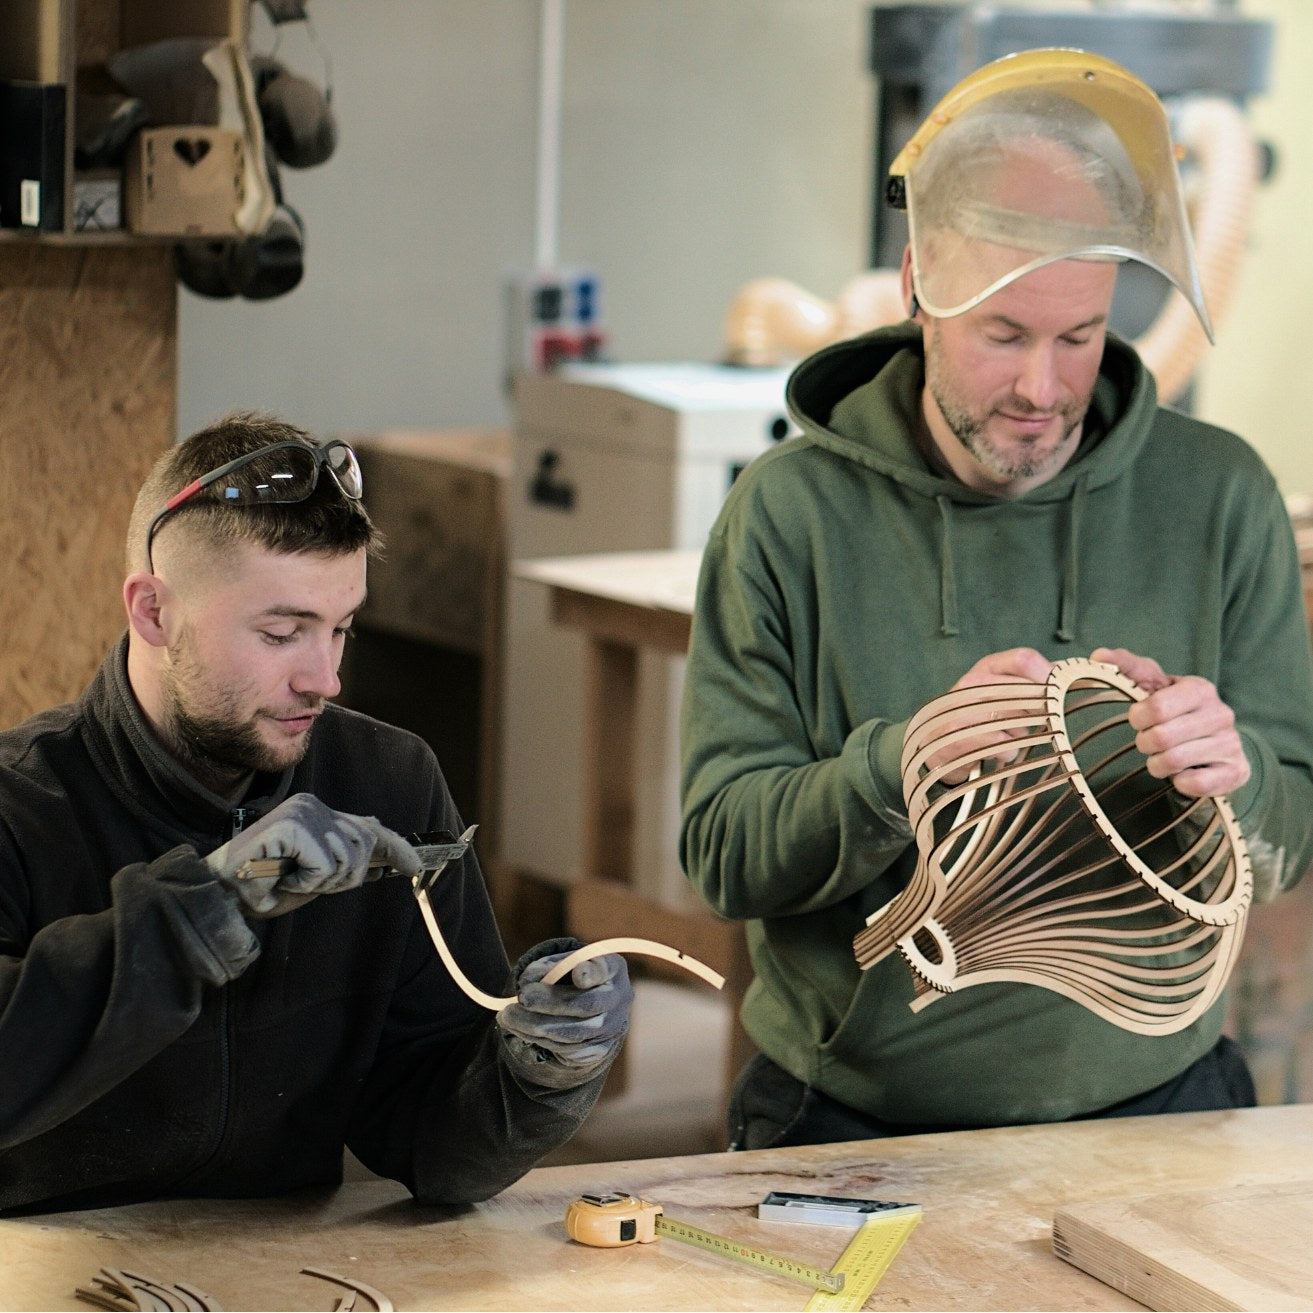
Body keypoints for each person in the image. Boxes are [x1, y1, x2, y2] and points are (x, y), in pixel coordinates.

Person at [679, 48, 1313, 1150]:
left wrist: (1234, 777)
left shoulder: (1217, 496)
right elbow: (725, 852)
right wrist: (895, 771)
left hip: (1166, 1108)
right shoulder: (787, 512)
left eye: (1078, 337)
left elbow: (1290, 839)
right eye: (1003, 335)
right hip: (855, 1121)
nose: (1040, 386)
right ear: (917, 291)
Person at [0, 413, 632, 1213]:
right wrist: (198, 913)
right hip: (46, 1262)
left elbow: (431, 1142)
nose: (324, 679)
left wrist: (534, 1075)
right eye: (281, 632)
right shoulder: (21, 805)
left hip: (283, 1266)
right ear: (153, 612)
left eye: (340, 629)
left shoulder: (387, 780)